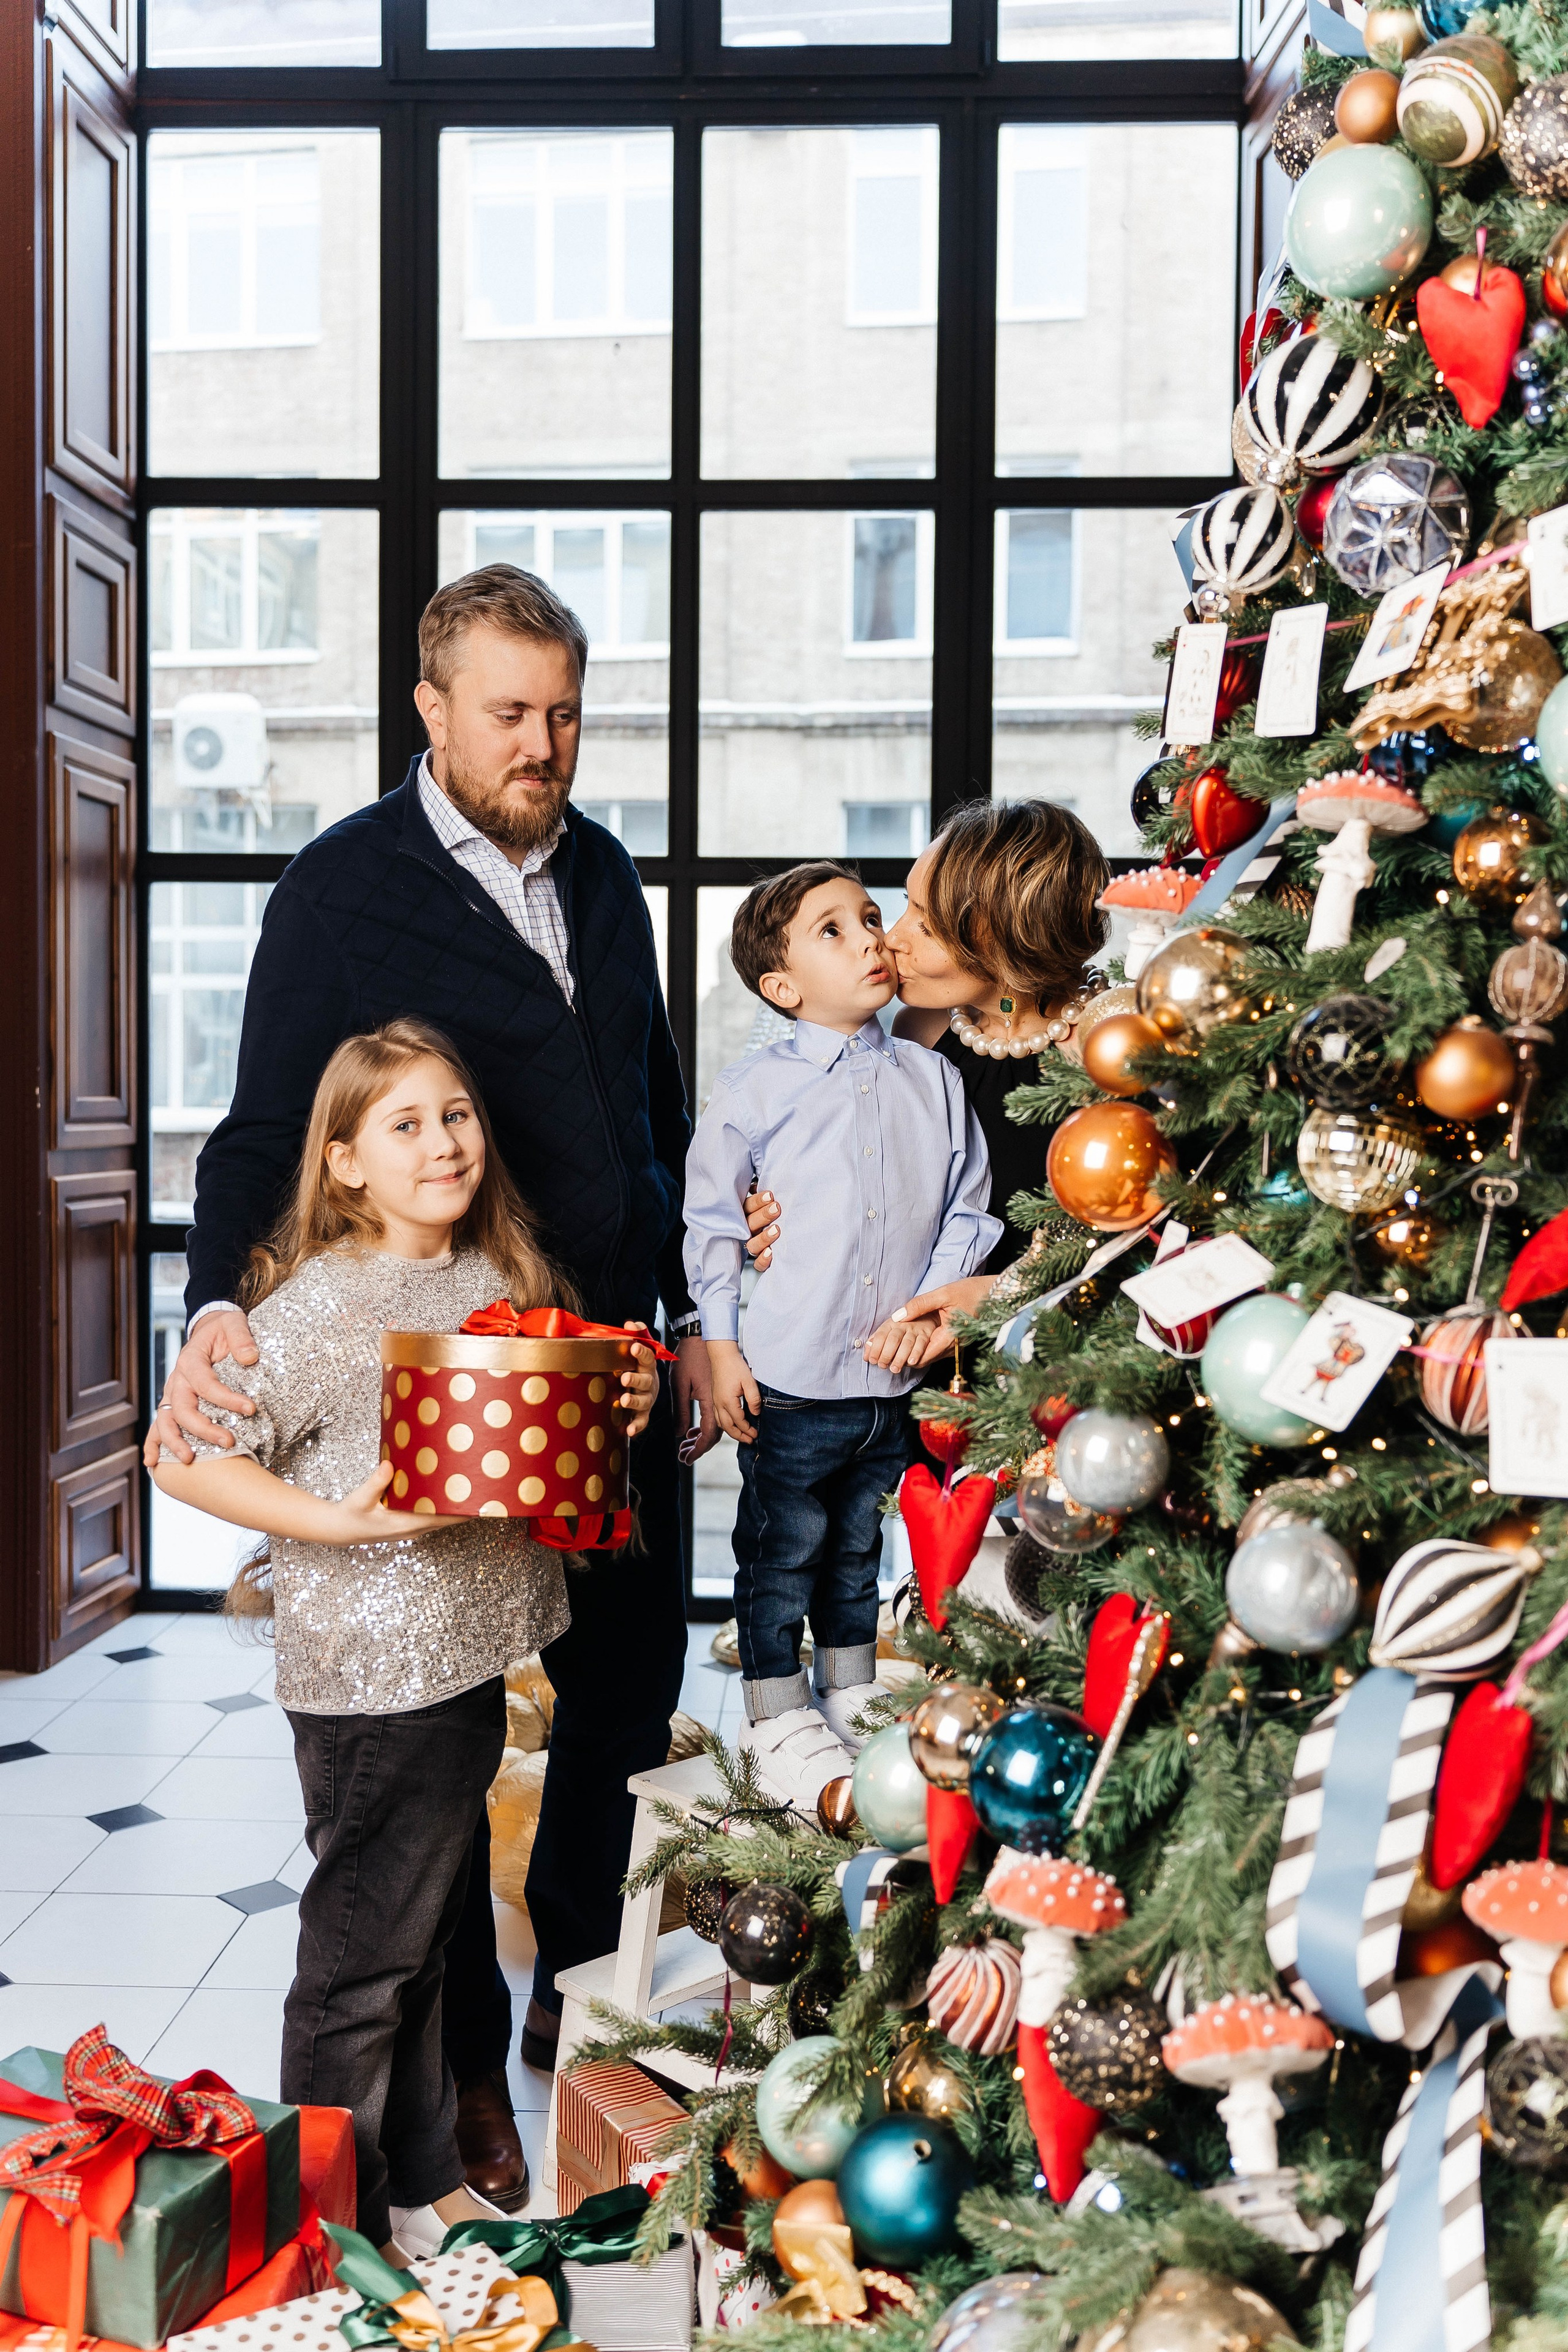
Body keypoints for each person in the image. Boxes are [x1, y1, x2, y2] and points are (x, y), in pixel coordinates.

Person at [145, 567, 717, 2210]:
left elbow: (648, 1104)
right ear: (433, 709)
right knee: (451, 1726)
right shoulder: (343, 892)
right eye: (511, 714)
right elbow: (271, 1129)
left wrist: (679, 1310)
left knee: (626, 1686)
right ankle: (462, 2065)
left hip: (610, 1365)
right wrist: (211, 1317)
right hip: (461, 1382)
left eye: (565, 713)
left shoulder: (601, 870)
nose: (545, 744)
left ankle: (584, 2018)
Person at [151, 1020, 660, 2263]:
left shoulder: (483, 1286)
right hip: (375, 1686)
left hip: (468, 1661)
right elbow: (182, 1458)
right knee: (358, 1974)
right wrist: (331, 1518)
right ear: (342, 1165)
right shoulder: (321, 1310)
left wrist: (625, 1398)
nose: (444, 1143)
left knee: (433, 1948)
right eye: (405, 1125)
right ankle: (314, 2231)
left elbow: (531, 1454)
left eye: (457, 1116)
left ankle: (422, 2183)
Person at [683, 863, 1000, 1806]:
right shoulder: (752, 1091)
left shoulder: (936, 1079)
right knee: (783, 1548)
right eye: (834, 930)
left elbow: (970, 1211)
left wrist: (933, 1309)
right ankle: (776, 1708)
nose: (871, 938)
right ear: (782, 988)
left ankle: (850, 1690)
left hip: (893, 1385)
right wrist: (727, 1345)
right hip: (789, 1376)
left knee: (860, 1547)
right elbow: (713, 1226)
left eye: (870, 918)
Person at [744, 800, 1109, 1354]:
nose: (892, 939)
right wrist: (778, 1204)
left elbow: (1147, 1239)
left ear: (1007, 941)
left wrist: (1007, 1293)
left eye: (926, 924)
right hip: (907, 1365)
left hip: (1054, 1372)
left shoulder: (1109, 1049)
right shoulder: (922, 1032)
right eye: (903, 907)